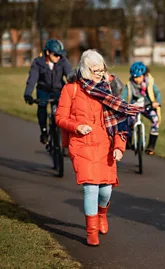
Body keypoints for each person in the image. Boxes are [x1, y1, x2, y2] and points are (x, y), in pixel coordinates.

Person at [55, 50, 142, 246]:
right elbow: (60, 118)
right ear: (85, 70)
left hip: (105, 145)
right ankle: (91, 231)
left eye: (102, 69)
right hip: (81, 144)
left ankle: (102, 214)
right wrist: (76, 126)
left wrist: (119, 147)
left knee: (106, 191)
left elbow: (121, 123)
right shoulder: (71, 89)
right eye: (95, 70)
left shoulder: (109, 89)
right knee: (90, 188)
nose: (100, 74)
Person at [24, 38, 73, 144]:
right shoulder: (38, 63)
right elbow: (32, 79)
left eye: (60, 55)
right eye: (55, 54)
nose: (58, 57)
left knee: (64, 112)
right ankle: (44, 131)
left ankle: (64, 138)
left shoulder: (63, 61)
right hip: (43, 90)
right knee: (42, 108)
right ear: (47, 52)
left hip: (59, 90)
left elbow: (70, 75)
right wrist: (28, 94)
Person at [120, 61, 162, 155]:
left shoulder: (149, 83)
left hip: (147, 106)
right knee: (129, 120)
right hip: (134, 107)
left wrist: (157, 102)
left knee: (155, 120)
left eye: (139, 77)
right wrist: (122, 103)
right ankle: (129, 140)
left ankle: (151, 146)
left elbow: (157, 93)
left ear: (144, 75)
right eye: (134, 77)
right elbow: (123, 95)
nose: (137, 79)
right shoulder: (130, 84)